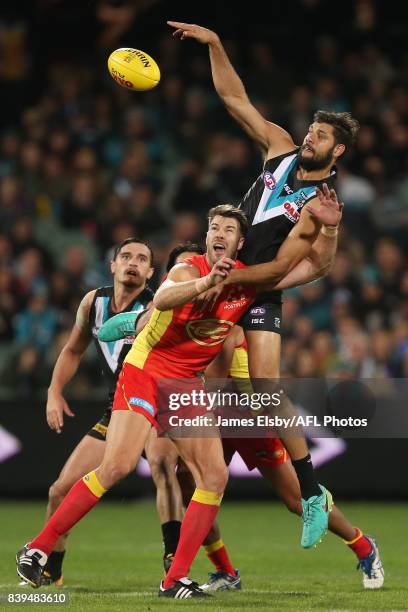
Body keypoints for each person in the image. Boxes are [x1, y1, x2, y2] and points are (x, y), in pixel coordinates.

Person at [168, 20, 361, 548]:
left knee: (265, 390)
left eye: (322, 135)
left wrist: (330, 231)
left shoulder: (321, 208)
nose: (310, 137)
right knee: (179, 336)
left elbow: (312, 266)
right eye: (312, 130)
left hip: (253, 288)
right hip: (219, 270)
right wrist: (216, 44)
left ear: (338, 151)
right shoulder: (278, 148)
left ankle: (311, 492)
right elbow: (234, 97)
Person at [178, 327, 384, 591]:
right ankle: (225, 571)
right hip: (216, 415)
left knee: (296, 500)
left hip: (247, 419)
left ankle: (364, 546)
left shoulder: (226, 323)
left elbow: (214, 380)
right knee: (186, 479)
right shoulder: (194, 312)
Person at [23, 238, 154, 586]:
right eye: (125, 256)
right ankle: (51, 570)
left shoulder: (156, 306)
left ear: (151, 272)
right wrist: (54, 391)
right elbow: (72, 350)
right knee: (58, 491)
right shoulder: (93, 302)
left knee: (183, 486)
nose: (132, 263)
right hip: (119, 411)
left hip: (159, 411)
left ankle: (197, 570)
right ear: (112, 265)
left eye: (142, 259)